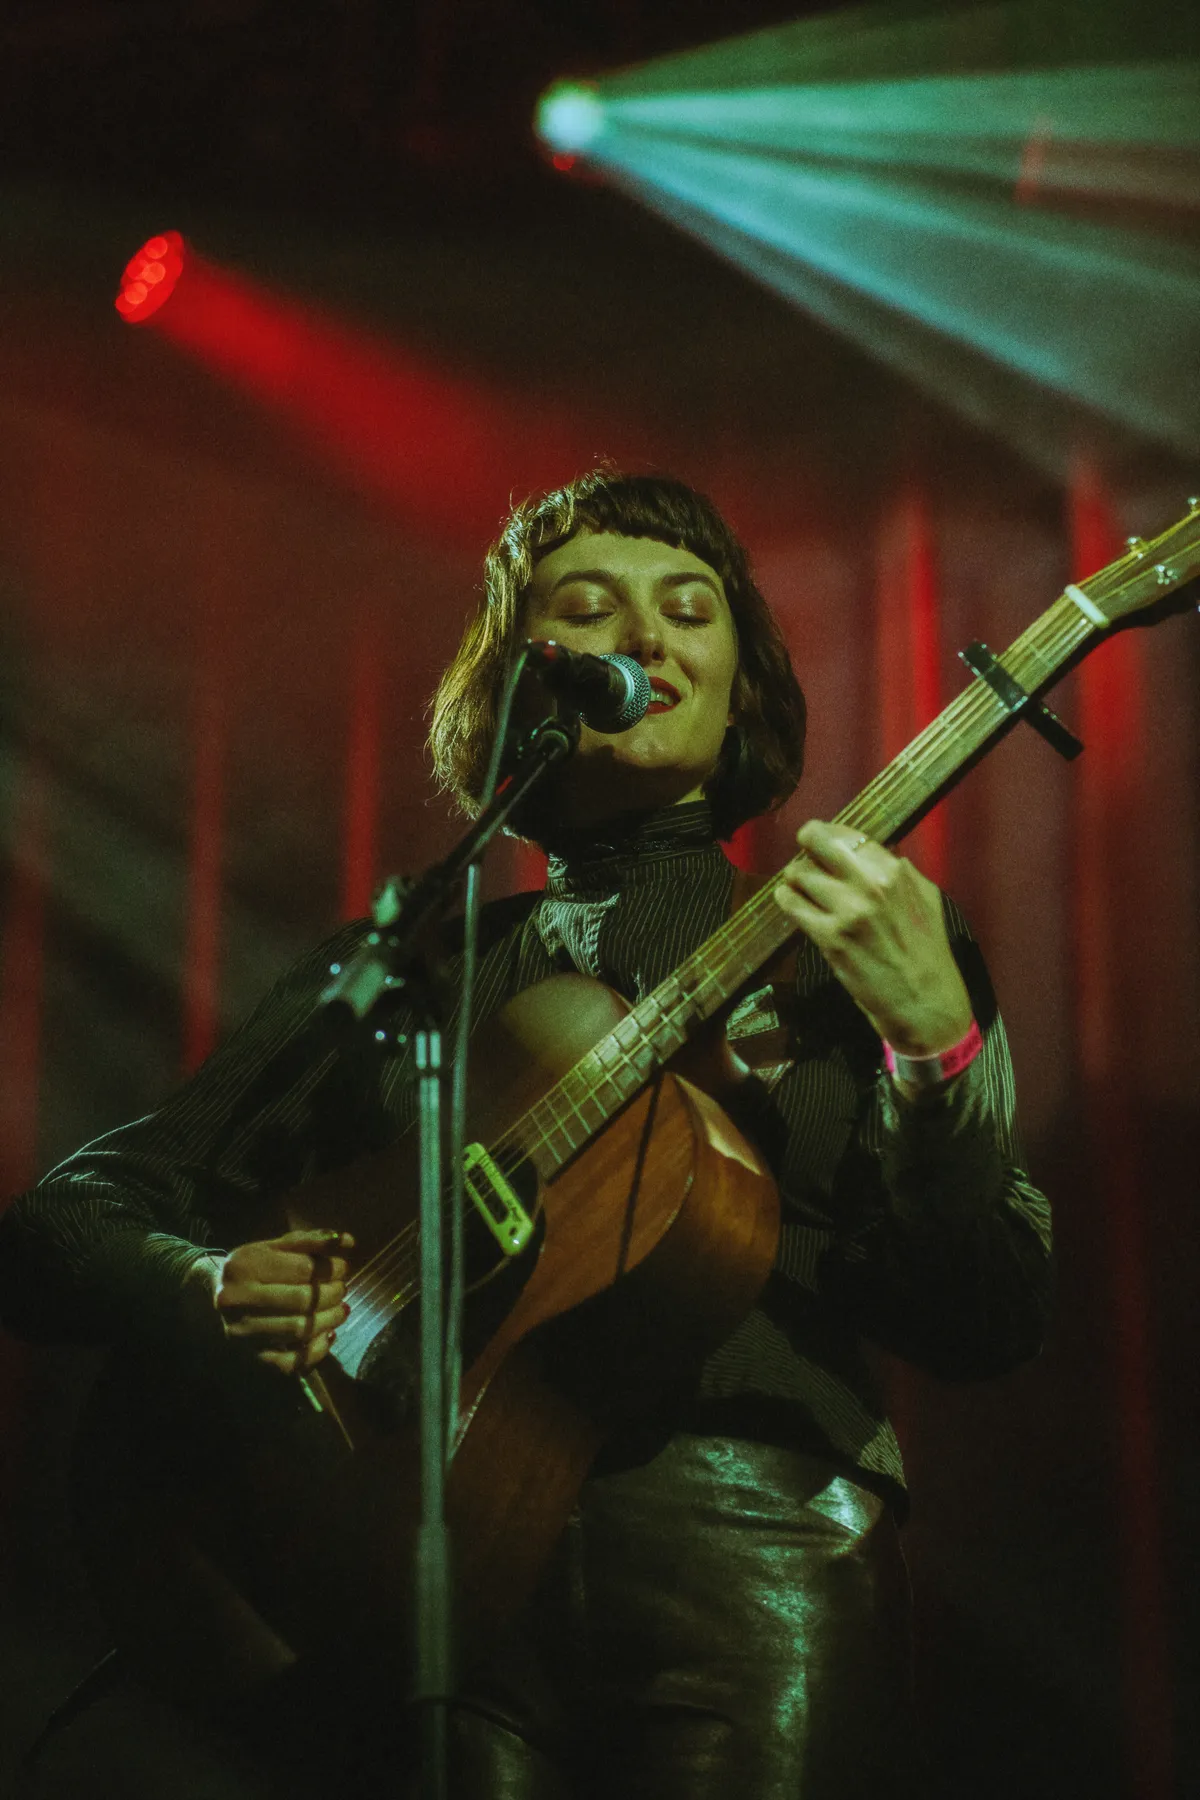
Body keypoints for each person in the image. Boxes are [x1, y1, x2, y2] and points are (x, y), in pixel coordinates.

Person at [0, 470, 1052, 1799]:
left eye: (692, 611)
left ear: (742, 689)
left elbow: (992, 1311)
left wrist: (937, 1053)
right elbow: (58, 1225)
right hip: (425, 1577)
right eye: (591, 610)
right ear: (519, 682)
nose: (646, 638)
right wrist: (205, 1286)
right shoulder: (414, 969)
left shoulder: (860, 940)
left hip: (758, 1549)